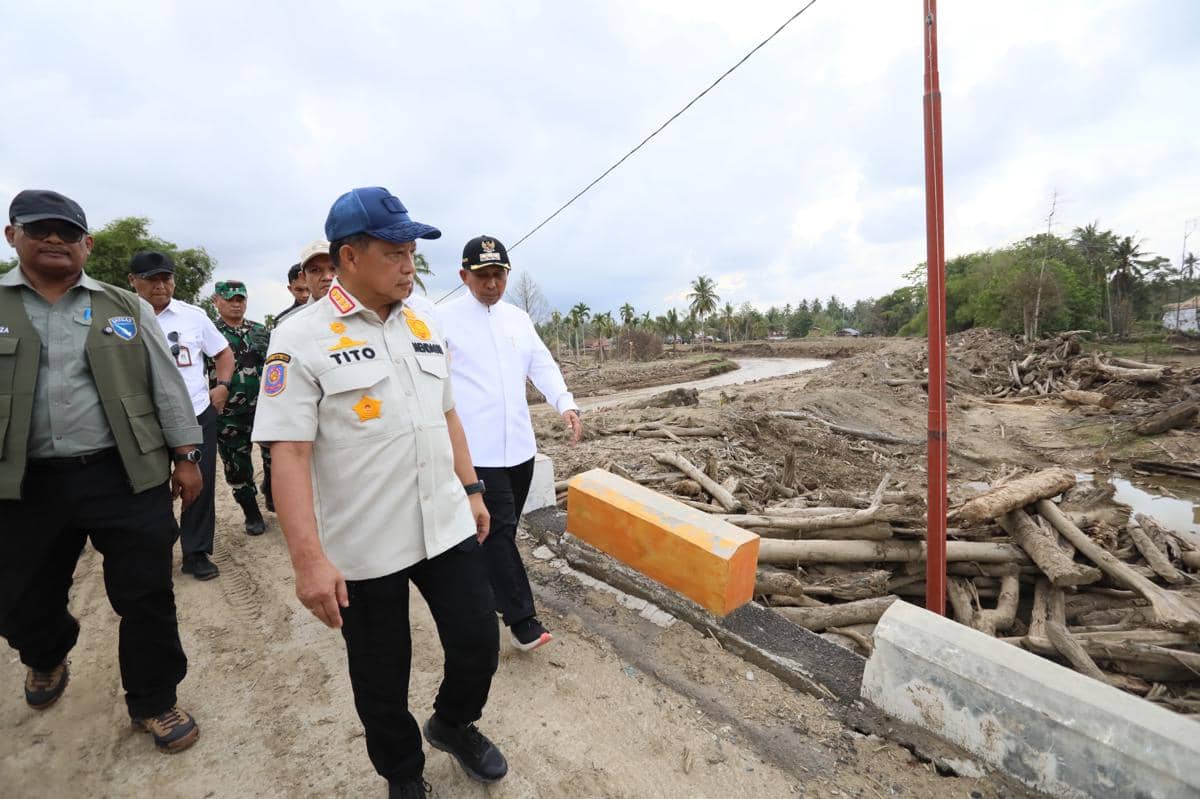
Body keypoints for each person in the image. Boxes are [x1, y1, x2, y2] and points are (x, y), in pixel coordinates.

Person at [253, 187, 507, 797]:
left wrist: (471, 489)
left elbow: (448, 415)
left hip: (443, 521)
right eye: (395, 252)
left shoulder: (424, 320)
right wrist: (309, 560)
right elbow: (287, 452)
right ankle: (403, 774)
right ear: (349, 257)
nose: (408, 264)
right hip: (364, 543)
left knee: (478, 640)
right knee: (380, 677)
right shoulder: (300, 338)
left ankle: (451, 722)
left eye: (412, 251)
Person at [0, 189, 203, 753]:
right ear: (12, 235)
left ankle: (155, 699)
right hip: (21, 482)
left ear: (87, 244)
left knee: (146, 594)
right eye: (40, 229)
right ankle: (45, 653)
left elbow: (165, 383)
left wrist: (187, 456)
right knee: (18, 598)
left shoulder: (124, 306)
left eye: (68, 232)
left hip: (122, 474)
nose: (55, 241)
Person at [437, 235, 582, 652]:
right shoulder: (443, 320)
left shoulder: (517, 318)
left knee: (501, 529)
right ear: (464, 276)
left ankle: (484, 584)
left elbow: (542, 365)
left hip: (518, 448)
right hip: (475, 451)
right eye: (482, 275)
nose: (492, 283)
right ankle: (522, 619)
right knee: (499, 531)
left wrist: (565, 404)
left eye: (499, 274)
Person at [129, 252, 233, 581]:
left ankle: (196, 552)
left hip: (196, 413)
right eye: (152, 279)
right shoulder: (120, 315)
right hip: (144, 419)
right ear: (133, 280)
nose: (161, 285)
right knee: (150, 488)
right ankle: (154, 551)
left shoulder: (193, 316)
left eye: (166, 278)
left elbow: (223, 352)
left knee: (197, 486)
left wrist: (223, 385)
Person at [212, 280, 271, 532]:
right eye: (230, 299)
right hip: (229, 414)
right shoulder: (210, 332)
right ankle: (251, 512)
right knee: (237, 464)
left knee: (275, 458)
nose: (236, 304)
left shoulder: (260, 331)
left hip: (266, 409)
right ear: (217, 301)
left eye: (240, 299)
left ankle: (272, 489)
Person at [272, 262, 310, 327]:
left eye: (309, 289)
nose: (305, 295)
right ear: (290, 289)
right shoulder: (282, 320)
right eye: (299, 290)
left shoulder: (331, 310)